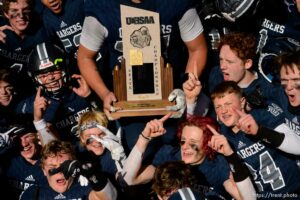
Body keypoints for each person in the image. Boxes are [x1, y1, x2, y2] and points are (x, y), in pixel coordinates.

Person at [77, 0, 208, 118]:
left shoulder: (175, 4)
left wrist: (188, 84)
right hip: (125, 100)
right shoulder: (103, 7)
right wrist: (104, 94)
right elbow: (84, 57)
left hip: (172, 93)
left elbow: (197, 48)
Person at [120, 114, 256, 200]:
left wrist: (230, 155)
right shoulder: (169, 155)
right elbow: (128, 180)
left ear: (207, 144)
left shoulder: (218, 164)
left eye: (193, 144)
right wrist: (144, 138)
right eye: (183, 141)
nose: (185, 147)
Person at [210, 81, 300, 198]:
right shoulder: (223, 139)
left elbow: (298, 147)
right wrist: (230, 155)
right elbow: (249, 197)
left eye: (227, 104)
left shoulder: (261, 115)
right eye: (218, 106)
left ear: (242, 102)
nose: (223, 111)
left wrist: (259, 132)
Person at [15, 42, 100, 144]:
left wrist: (91, 97)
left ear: (64, 69)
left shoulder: (83, 88)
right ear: (35, 79)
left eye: (54, 71)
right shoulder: (31, 105)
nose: (50, 78)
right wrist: (38, 119)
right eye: (43, 75)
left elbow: (110, 120)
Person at [19, 139, 117, 200]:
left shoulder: (86, 186)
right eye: (52, 167)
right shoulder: (34, 193)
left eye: (65, 166)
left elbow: (110, 198)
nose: (59, 171)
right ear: (44, 170)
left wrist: (91, 174)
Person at [0, 0, 49, 98]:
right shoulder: (2, 31)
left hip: (39, 91)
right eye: (14, 11)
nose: (21, 16)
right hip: (10, 93)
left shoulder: (42, 32)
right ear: (6, 14)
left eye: (25, 10)